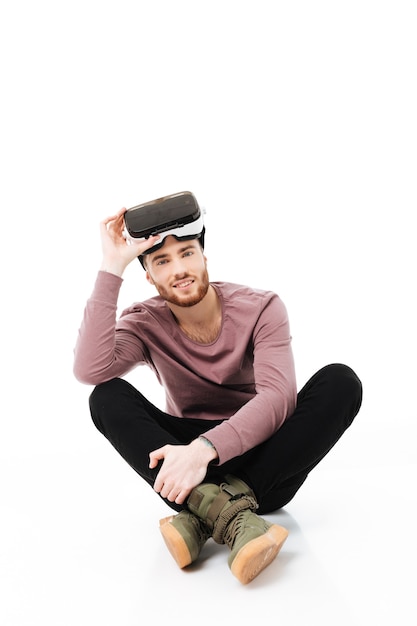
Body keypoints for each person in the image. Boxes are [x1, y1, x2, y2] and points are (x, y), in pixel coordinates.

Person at [73, 197, 363, 585]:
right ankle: (231, 516)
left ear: (205, 258)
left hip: (265, 462)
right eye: (162, 262)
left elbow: (278, 398)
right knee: (106, 396)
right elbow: (91, 369)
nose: (179, 270)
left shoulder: (262, 307)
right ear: (150, 278)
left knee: (341, 382)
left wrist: (203, 451)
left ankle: (202, 516)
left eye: (187, 254)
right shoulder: (144, 322)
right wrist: (112, 266)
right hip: (188, 473)